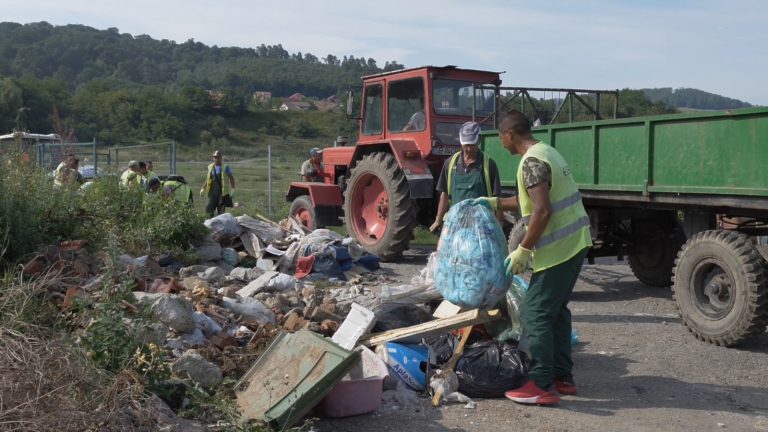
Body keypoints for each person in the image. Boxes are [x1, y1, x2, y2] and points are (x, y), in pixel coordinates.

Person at [472, 110, 592, 405]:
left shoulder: (531, 162)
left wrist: (523, 249)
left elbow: (542, 210)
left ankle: (540, 383)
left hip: (560, 249)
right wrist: (495, 202)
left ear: (509, 134)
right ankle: (563, 377)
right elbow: (529, 199)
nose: (501, 144)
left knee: (534, 312)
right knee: (556, 311)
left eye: (500, 137)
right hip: (574, 243)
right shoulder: (546, 152)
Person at [429, 121, 501, 233]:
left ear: (479, 140)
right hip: (455, 225)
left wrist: (498, 225)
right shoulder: (450, 163)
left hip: (481, 227)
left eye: (472, 145)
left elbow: (497, 198)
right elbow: (444, 193)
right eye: (466, 145)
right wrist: (438, 220)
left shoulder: (488, 165)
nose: (468, 149)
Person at [201, 150, 235, 217]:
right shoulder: (210, 167)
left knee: (221, 212)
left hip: (221, 194)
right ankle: (209, 222)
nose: (216, 159)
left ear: (221, 158)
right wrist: (203, 188)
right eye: (215, 157)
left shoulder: (225, 167)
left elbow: (231, 178)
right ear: (213, 158)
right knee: (208, 210)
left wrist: (232, 189)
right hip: (212, 194)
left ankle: (220, 223)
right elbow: (208, 179)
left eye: (218, 157)